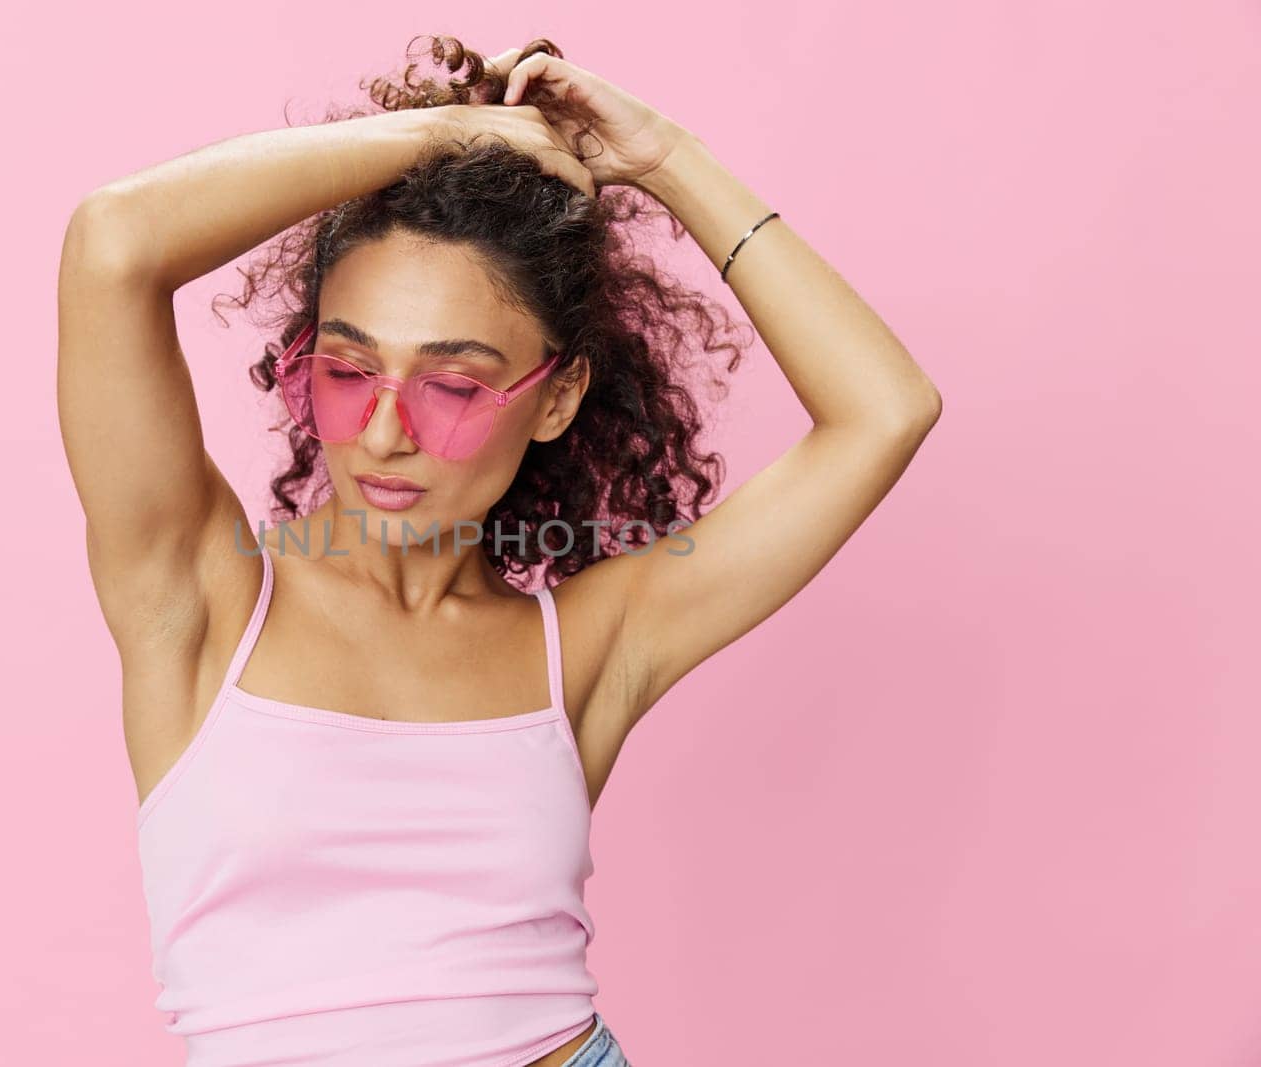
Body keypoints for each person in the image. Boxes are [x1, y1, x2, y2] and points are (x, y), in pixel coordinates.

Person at [56, 35, 940, 1067]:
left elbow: (884, 410)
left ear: (556, 396)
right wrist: (447, 134)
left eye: (455, 384)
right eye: (348, 368)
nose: (385, 431)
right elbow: (111, 242)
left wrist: (662, 158)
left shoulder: (590, 643)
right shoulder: (199, 600)